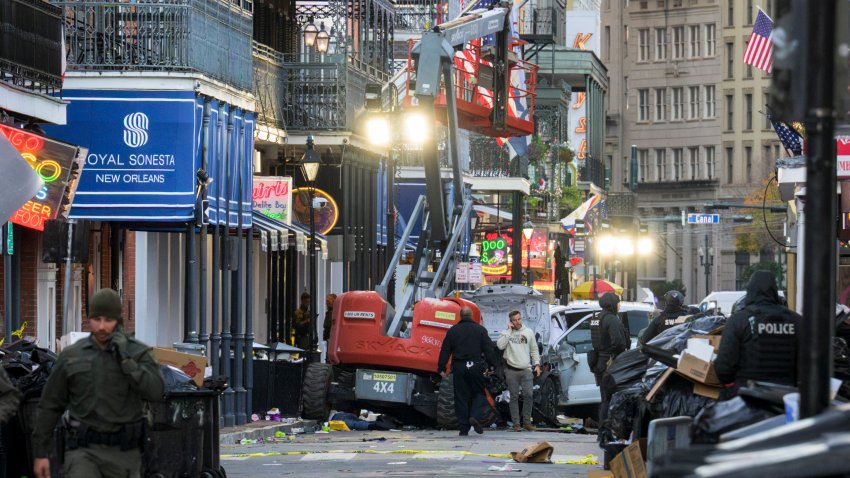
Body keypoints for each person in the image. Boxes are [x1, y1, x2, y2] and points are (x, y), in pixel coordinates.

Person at [32, 288, 164, 478]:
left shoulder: (137, 352)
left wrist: (126, 362)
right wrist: (40, 453)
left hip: (124, 452)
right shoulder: (72, 355)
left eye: (108, 320)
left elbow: (156, 391)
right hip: (83, 451)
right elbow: (50, 404)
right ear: (89, 319)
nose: (101, 327)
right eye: (96, 319)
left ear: (118, 321)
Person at [715, 271, 801, 394]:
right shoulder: (796, 321)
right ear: (774, 290)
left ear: (750, 290)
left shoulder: (738, 321)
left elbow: (723, 367)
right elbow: (808, 365)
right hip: (786, 398)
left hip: (747, 398)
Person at [437, 306, 497, 436]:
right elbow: (489, 350)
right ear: (471, 316)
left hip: (459, 366)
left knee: (461, 397)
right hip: (475, 365)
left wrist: (441, 368)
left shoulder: (453, 331)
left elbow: (445, 350)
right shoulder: (480, 330)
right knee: (479, 393)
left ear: (460, 316)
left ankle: (464, 429)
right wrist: (492, 366)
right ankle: (474, 415)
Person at [496, 310, 541, 431]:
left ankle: (526, 422)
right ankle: (516, 423)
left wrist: (537, 364)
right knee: (514, 396)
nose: (517, 322)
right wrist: (509, 331)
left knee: (529, 395)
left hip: (526, 369)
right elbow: (500, 346)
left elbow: (534, 350)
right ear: (511, 322)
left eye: (519, 319)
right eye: (514, 320)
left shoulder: (528, 332)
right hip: (511, 370)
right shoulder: (505, 333)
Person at [589, 292, 628, 427]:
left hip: (599, 361)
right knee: (611, 399)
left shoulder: (596, 317)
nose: (619, 306)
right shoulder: (611, 318)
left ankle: (603, 429)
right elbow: (618, 342)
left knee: (604, 398)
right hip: (610, 362)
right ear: (611, 304)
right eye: (618, 303)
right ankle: (606, 430)